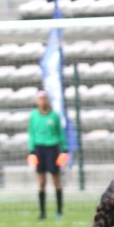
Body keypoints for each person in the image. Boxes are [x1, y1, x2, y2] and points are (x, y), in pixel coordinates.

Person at [27, 89, 68, 220]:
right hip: (39, 149)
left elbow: (60, 133)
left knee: (56, 180)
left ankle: (59, 211)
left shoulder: (54, 116)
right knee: (41, 181)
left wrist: (64, 148)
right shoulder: (33, 116)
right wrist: (32, 150)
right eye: (40, 99)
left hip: (52, 148)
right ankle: (42, 212)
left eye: (44, 98)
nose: (42, 101)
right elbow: (31, 134)